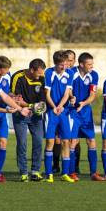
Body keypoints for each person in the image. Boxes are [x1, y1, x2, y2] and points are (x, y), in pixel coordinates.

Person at [68, 52, 105, 181]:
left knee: (91, 141)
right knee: (73, 142)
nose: (91, 66)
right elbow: (68, 89)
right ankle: (71, 172)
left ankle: (93, 173)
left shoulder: (93, 75)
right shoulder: (71, 73)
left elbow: (92, 95)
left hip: (85, 112)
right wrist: (72, 97)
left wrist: (83, 103)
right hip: (72, 111)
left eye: (92, 64)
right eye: (89, 64)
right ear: (81, 64)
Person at [10, 58, 47, 182]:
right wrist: (30, 106)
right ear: (32, 70)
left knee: (38, 142)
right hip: (20, 114)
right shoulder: (18, 77)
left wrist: (37, 107)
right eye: (39, 73)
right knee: (22, 143)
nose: (41, 76)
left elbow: (42, 100)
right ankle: (24, 172)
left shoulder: (41, 78)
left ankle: (35, 171)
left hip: (36, 115)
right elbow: (16, 99)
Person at [43, 51, 75, 183]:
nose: (64, 66)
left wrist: (61, 106)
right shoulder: (49, 73)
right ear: (55, 63)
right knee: (50, 142)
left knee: (66, 141)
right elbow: (47, 93)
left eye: (65, 64)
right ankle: (48, 174)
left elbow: (67, 93)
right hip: (51, 112)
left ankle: (65, 173)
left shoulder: (70, 73)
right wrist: (54, 107)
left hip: (63, 111)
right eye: (61, 64)